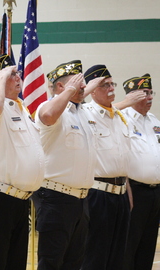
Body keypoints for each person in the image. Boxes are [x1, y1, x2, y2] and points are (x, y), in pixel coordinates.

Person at [0, 54, 45, 270]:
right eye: (11, 74)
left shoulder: (20, 108)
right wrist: (2, 75)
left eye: (16, 73)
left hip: (20, 200)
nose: (18, 76)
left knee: (15, 264)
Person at [31, 60, 97, 270]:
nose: (83, 87)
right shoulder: (51, 108)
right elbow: (48, 116)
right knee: (51, 262)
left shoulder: (82, 113)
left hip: (81, 200)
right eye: (78, 83)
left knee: (74, 263)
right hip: (55, 199)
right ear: (62, 87)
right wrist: (69, 92)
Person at [81, 65, 131, 270]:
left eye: (112, 84)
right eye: (105, 85)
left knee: (117, 256)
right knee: (95, 256)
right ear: (92, 90)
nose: (111, 88)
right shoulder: (84, 114)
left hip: (121, 195)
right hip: (98, 195)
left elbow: (122, 159)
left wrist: (127, 191)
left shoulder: (119, 117)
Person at [121, 74, 160, 270]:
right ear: (132, 96)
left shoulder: (154, 120)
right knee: (128, 247)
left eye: (151, 92)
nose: (150, 97)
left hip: (155, 193)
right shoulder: (123, 119)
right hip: (133, 192)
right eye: (144, 93)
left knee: (148, 245)